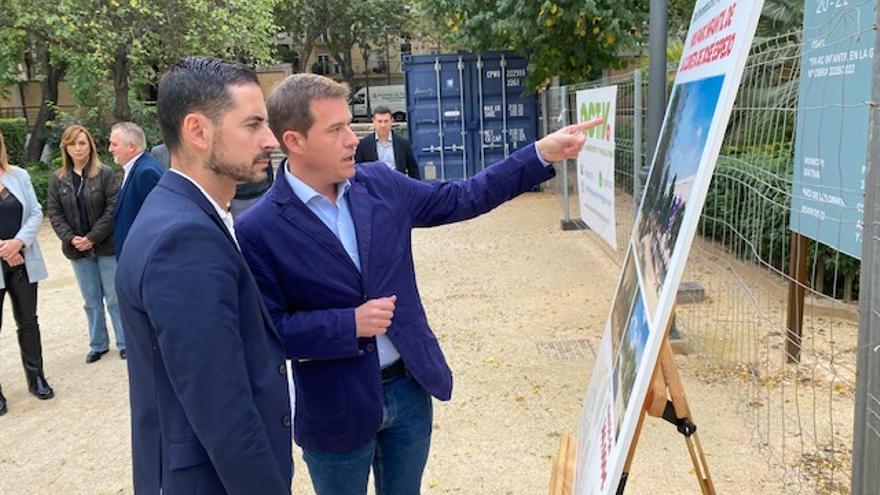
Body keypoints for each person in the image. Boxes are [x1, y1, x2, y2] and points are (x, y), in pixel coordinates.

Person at [235, 72, 600, 494]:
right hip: (335, 406)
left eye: (350, 126)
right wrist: (347, 323)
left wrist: (539, 153)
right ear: (294, 141)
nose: (353, 139)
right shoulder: (258, 228)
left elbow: (464, 197)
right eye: (335, 130)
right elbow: (269, 334)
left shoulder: (381, 184)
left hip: (409, 390)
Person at [115, 56, 292, 494]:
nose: (269, 139)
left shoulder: (180, 212)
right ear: (198, 131)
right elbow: (222, 408)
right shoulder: (184, 238)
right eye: (252, 125)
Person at [47, 124, 125, 363]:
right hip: (77, 250)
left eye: (82, 143)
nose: (78, 148)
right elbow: (54, 212)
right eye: (73, 144)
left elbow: (113, 209)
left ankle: (124, 342)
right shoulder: (58, 179)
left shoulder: (106, 174)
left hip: (105, 245)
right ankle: (98, 344)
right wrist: (72, 238)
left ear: (90, 145)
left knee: (114, 297)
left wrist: (92, 237)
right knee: (91, 300)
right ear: (66, 148)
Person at [0, 131, 53, 416]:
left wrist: (18, 243)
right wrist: (3, 248)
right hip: (3, 257)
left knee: (28, 322)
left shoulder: (19, 175)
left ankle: (36, 378)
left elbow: (35, 212)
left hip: (22, 260)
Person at [108, 121, 164, 257]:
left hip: (142, 255)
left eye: (114, 144)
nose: (110, 149)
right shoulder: (137, 167)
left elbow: (157, 221)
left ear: (131, 147)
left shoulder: (145, 172)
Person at [354, 105, 420, 179]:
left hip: (397, 187)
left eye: (386, 121)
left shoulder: (403, 144)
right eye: (379, 121)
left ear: (391, 121)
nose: (383, 125)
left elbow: (413, 171)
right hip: (374, 188)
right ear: (373, 121)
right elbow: (358, 170)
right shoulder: (364, 145)